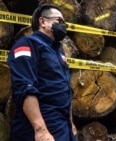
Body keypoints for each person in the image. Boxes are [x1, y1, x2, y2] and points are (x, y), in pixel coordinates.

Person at [7, 4, 77, 141]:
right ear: (43, 22)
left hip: (62, 126)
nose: (63, 26)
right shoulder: (26, 44)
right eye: (59, 21)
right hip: (42, 125)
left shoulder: (59, 52)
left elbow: (65, 90)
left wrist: (71, 123)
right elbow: (24, 87)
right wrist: (40, 130)